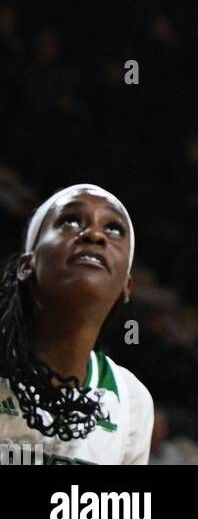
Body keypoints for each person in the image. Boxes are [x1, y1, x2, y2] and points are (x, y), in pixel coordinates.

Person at [0, 184, 153, 464]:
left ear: (126, 286)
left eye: (113, 229)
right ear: (26, 265)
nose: (94, 235)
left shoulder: (132, 401)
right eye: (70, 221)